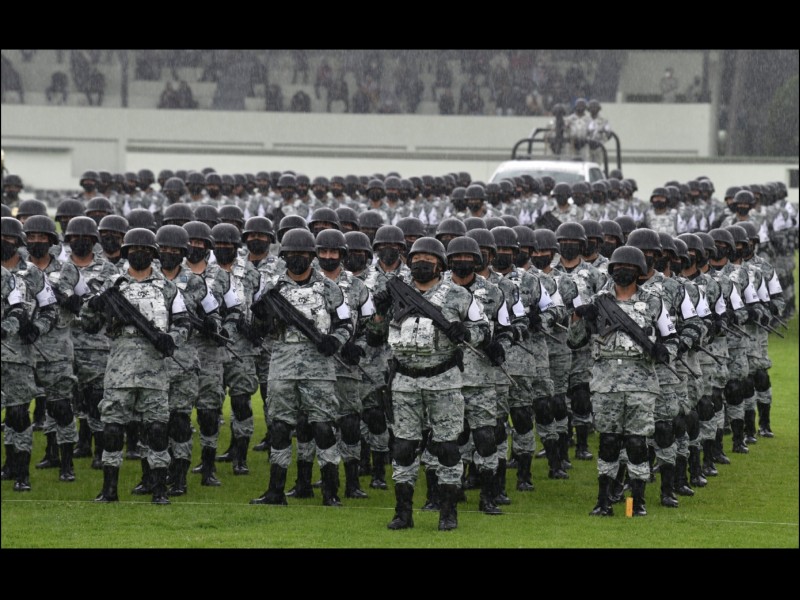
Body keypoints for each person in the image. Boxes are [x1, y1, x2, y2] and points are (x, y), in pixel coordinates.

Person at [372, 237, 488, 531]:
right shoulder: (395, 292)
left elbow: (483, 328)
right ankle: (403, 512)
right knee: (403, 447)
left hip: (443, 380)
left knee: (447, 447)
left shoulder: (457, 295)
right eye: (417, 258)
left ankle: (448, 511)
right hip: (404, 380)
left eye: (429, 258)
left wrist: (466, 333)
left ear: (440, 264)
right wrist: (379, 312)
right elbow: (373, 334)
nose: (422, 263)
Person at [82, 228, 191, 504]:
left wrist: (171, 339)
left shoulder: (168, 288)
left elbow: (183, 324)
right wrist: (94, 306)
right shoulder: (112, 284)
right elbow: (89, 324)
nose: (138, 254)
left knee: (156, 430)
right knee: (112, 428)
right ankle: (109, 490)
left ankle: (159, 489)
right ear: (126, 252)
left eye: (144, 250)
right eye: (133, 250)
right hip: (119, 367)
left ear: (153, 254)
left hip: (154, 369)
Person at [570, 246, 678, 517]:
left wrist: (665, 351)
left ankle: (637, 502)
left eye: (629, 268)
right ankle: (603, 501)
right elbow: (574, 341)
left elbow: (671, 338)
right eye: (618, 267)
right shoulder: (598, 302)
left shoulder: (653, 302)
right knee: (608, 442)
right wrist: (580, 318)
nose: (623, 271)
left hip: (641, 383)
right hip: (605, 384)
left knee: (637, 444)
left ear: (639, 272)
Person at [249, 228, 353, 507]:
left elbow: (345, 324)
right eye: (292, 254)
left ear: (312, 256)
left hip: (319, 368)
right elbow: (257, 329)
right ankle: (275, 491)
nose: (298, 258)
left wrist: (335, 341)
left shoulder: (329, 288)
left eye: (303, 254)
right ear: (284, 256)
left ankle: (330, 491)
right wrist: (260, 319)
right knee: (280, 428)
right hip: (282, 365)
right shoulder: (272, 288)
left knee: (323, 428)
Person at [1, 218, 59, 491]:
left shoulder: (33, 273)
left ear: (18, 241)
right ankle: (8, 463)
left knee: (18, 412)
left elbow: (50, 309)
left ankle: (21, 471)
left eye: (9, 238)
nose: (4, 242)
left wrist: (37, 329)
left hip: (19, 353)